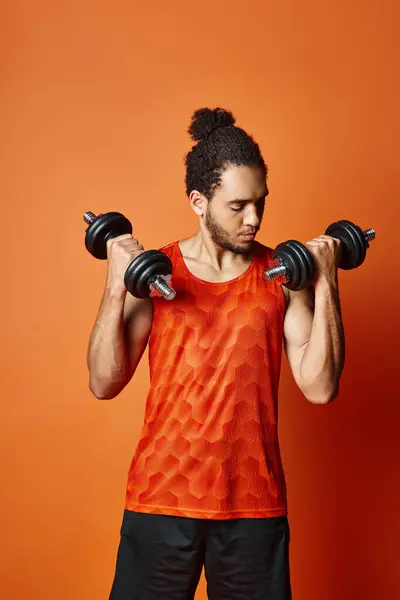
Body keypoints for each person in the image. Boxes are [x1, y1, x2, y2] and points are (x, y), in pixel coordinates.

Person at [87, 107, 345, 600]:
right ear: (199, 201)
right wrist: (116, 284)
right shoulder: (158, 278)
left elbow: (320, 386)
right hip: (160, 500)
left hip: (254, 506)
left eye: (261, 203)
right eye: (238, 205)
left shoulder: (282, 278)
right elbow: (103, 382)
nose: (254, 219)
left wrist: (327, 280)